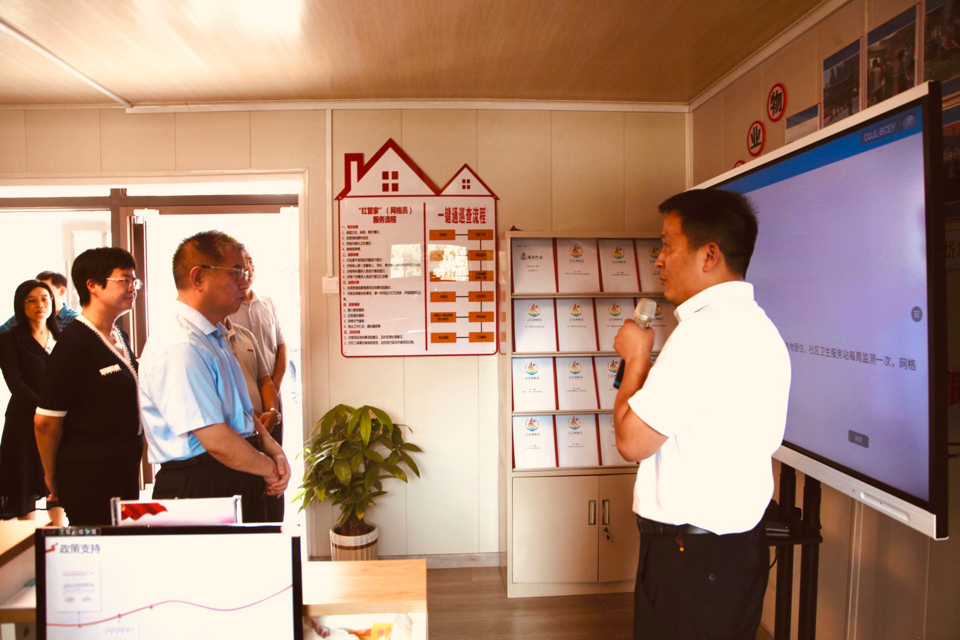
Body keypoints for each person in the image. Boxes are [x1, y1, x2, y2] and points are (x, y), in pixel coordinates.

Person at [612, 189, 791, 640]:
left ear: (709, 254)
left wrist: (636, 358)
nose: (659, 260)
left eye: (667, 245)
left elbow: (632, 441)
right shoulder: (757, 323)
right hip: (732, 553)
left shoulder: (705, 332)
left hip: (691, 562)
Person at [138, 231, 289, 523]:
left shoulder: (214, 336)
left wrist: (272, 448)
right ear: (198, 277)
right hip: (200, 482)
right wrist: (271, 469)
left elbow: (238, 411)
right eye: (236, 272)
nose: (245, 282)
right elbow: (215, 439)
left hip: (234, 470)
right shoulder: (181, 344)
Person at [34, 249, 142, 526]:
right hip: (89, 473)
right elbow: (46, 421)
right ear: (93, 285)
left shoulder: (118, 334)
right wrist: (51, 476)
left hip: (123, 467)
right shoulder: (75, 343)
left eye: (134, 281)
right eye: (124, 280)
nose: (132, 288)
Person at [228, 249, 286, 520]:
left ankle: (275, 525)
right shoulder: (227, 309)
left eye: (250, 262)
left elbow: (281, 348)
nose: (248, 269)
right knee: (251, 477)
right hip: (243, 412)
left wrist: (272, 400)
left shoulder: (268, 303)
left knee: (276, 469)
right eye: (241, 266)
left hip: (271, 401)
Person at [0, 280, 60, 520]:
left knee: (57, 479)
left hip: (59, 420)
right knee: (26, 483)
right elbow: (16, 383)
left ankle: (58, 531)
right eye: (31, 300)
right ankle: (29, 537)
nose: (40, 305)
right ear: (21, 305)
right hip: (25, 419)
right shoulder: (9, 339)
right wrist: (44, 409)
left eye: (45, 299)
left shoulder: (62, 337)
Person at [223, 316, 281, 442]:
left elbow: (264, 381)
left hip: (257, 431)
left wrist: (272, 411)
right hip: (227, 435)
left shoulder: (246, 335)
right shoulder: (199, 340)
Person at [0, 271, 79, 334]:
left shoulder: (74, 320)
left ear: (61, 291)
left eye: (46, 290)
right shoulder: (25, 315)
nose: (39, 304)